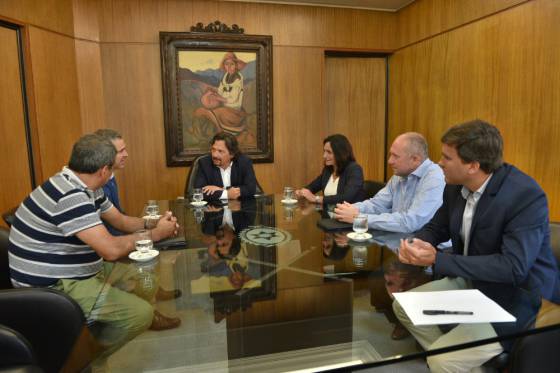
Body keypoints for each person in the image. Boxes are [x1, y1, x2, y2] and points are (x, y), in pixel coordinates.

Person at [393, 120, 560, 372]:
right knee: (403, 306)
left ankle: (448, 361)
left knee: (441, 360)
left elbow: (513, 268)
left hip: (518, 299)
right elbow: (437, 227)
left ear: (473, 165)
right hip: (474, 283)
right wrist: (418, 242)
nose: (439, 162)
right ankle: (465, 364)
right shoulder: (455, 186)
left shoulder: (524, 196)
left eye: (447, 157)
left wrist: (437, 260)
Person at [7, 134, 182, 355]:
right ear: (103, 170)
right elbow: (111, 250)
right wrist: (156, 235)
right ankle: (85, 358)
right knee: (141, 314)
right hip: (54, 287)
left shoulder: (86, 185)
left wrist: (154, 223)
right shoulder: (70, 196)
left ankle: (100, 325)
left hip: (80, 270)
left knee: (147, 277)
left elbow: (121, 221)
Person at [334, 132, 445, 233]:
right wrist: (351, 209)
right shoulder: (399, 175)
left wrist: (358, 218)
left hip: (432, 249)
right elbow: (377, 204)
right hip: (400, 241)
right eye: (390, 155)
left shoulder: (435, 177)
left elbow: (410, 223)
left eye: (395, 156)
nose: (390, 161)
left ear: (415, 159)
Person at [295, 134, 365, 205]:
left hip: (349, 214)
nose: (324, 156)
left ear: (341, 153)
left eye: (329, 152)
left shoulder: (355, 170)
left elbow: (346, 197)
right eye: (324, 151)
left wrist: (316, 198)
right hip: (329, 213)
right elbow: (313, 186)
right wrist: (302, 192)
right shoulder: (328, 170)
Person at [194, 52, 248, 136]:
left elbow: (233, 99)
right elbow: (221, 91)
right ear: (224, 65)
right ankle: (204, 132)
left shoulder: (238, 78)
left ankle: (219, 130)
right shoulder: (226, 76)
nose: (229, 67)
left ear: (236, 65)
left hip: (234, 110)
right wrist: (213, 92)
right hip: (224, 105)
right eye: (227, 64)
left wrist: (219, 98)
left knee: (211, 113)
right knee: (205, 105)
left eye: (232, 64)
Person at [194, 132, 258, 202]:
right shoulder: (204, 163)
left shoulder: (244, 162)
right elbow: (198, 191)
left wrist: (221, 189)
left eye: (220, 151)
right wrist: (227, 194)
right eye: (213, 149)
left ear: (232, 154)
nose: (214, 155)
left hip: (238, 210)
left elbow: (250, 189)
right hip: (214, 210)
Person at [94, 128, 127, 235]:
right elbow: (110, 226)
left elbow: (118, 217)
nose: (126, 154)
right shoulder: (97, 183)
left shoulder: (110, 175)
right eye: (121, 151)